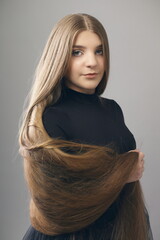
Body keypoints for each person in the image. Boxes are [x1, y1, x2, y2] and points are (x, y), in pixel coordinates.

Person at [19, 13, 153, 240]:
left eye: (99, 51)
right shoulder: (50, 118)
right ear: (59, 58)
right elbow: (57, 201)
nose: (92, 61)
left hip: (118, 229)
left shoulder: (112, 109)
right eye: (77, 52)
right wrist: (123, 171)